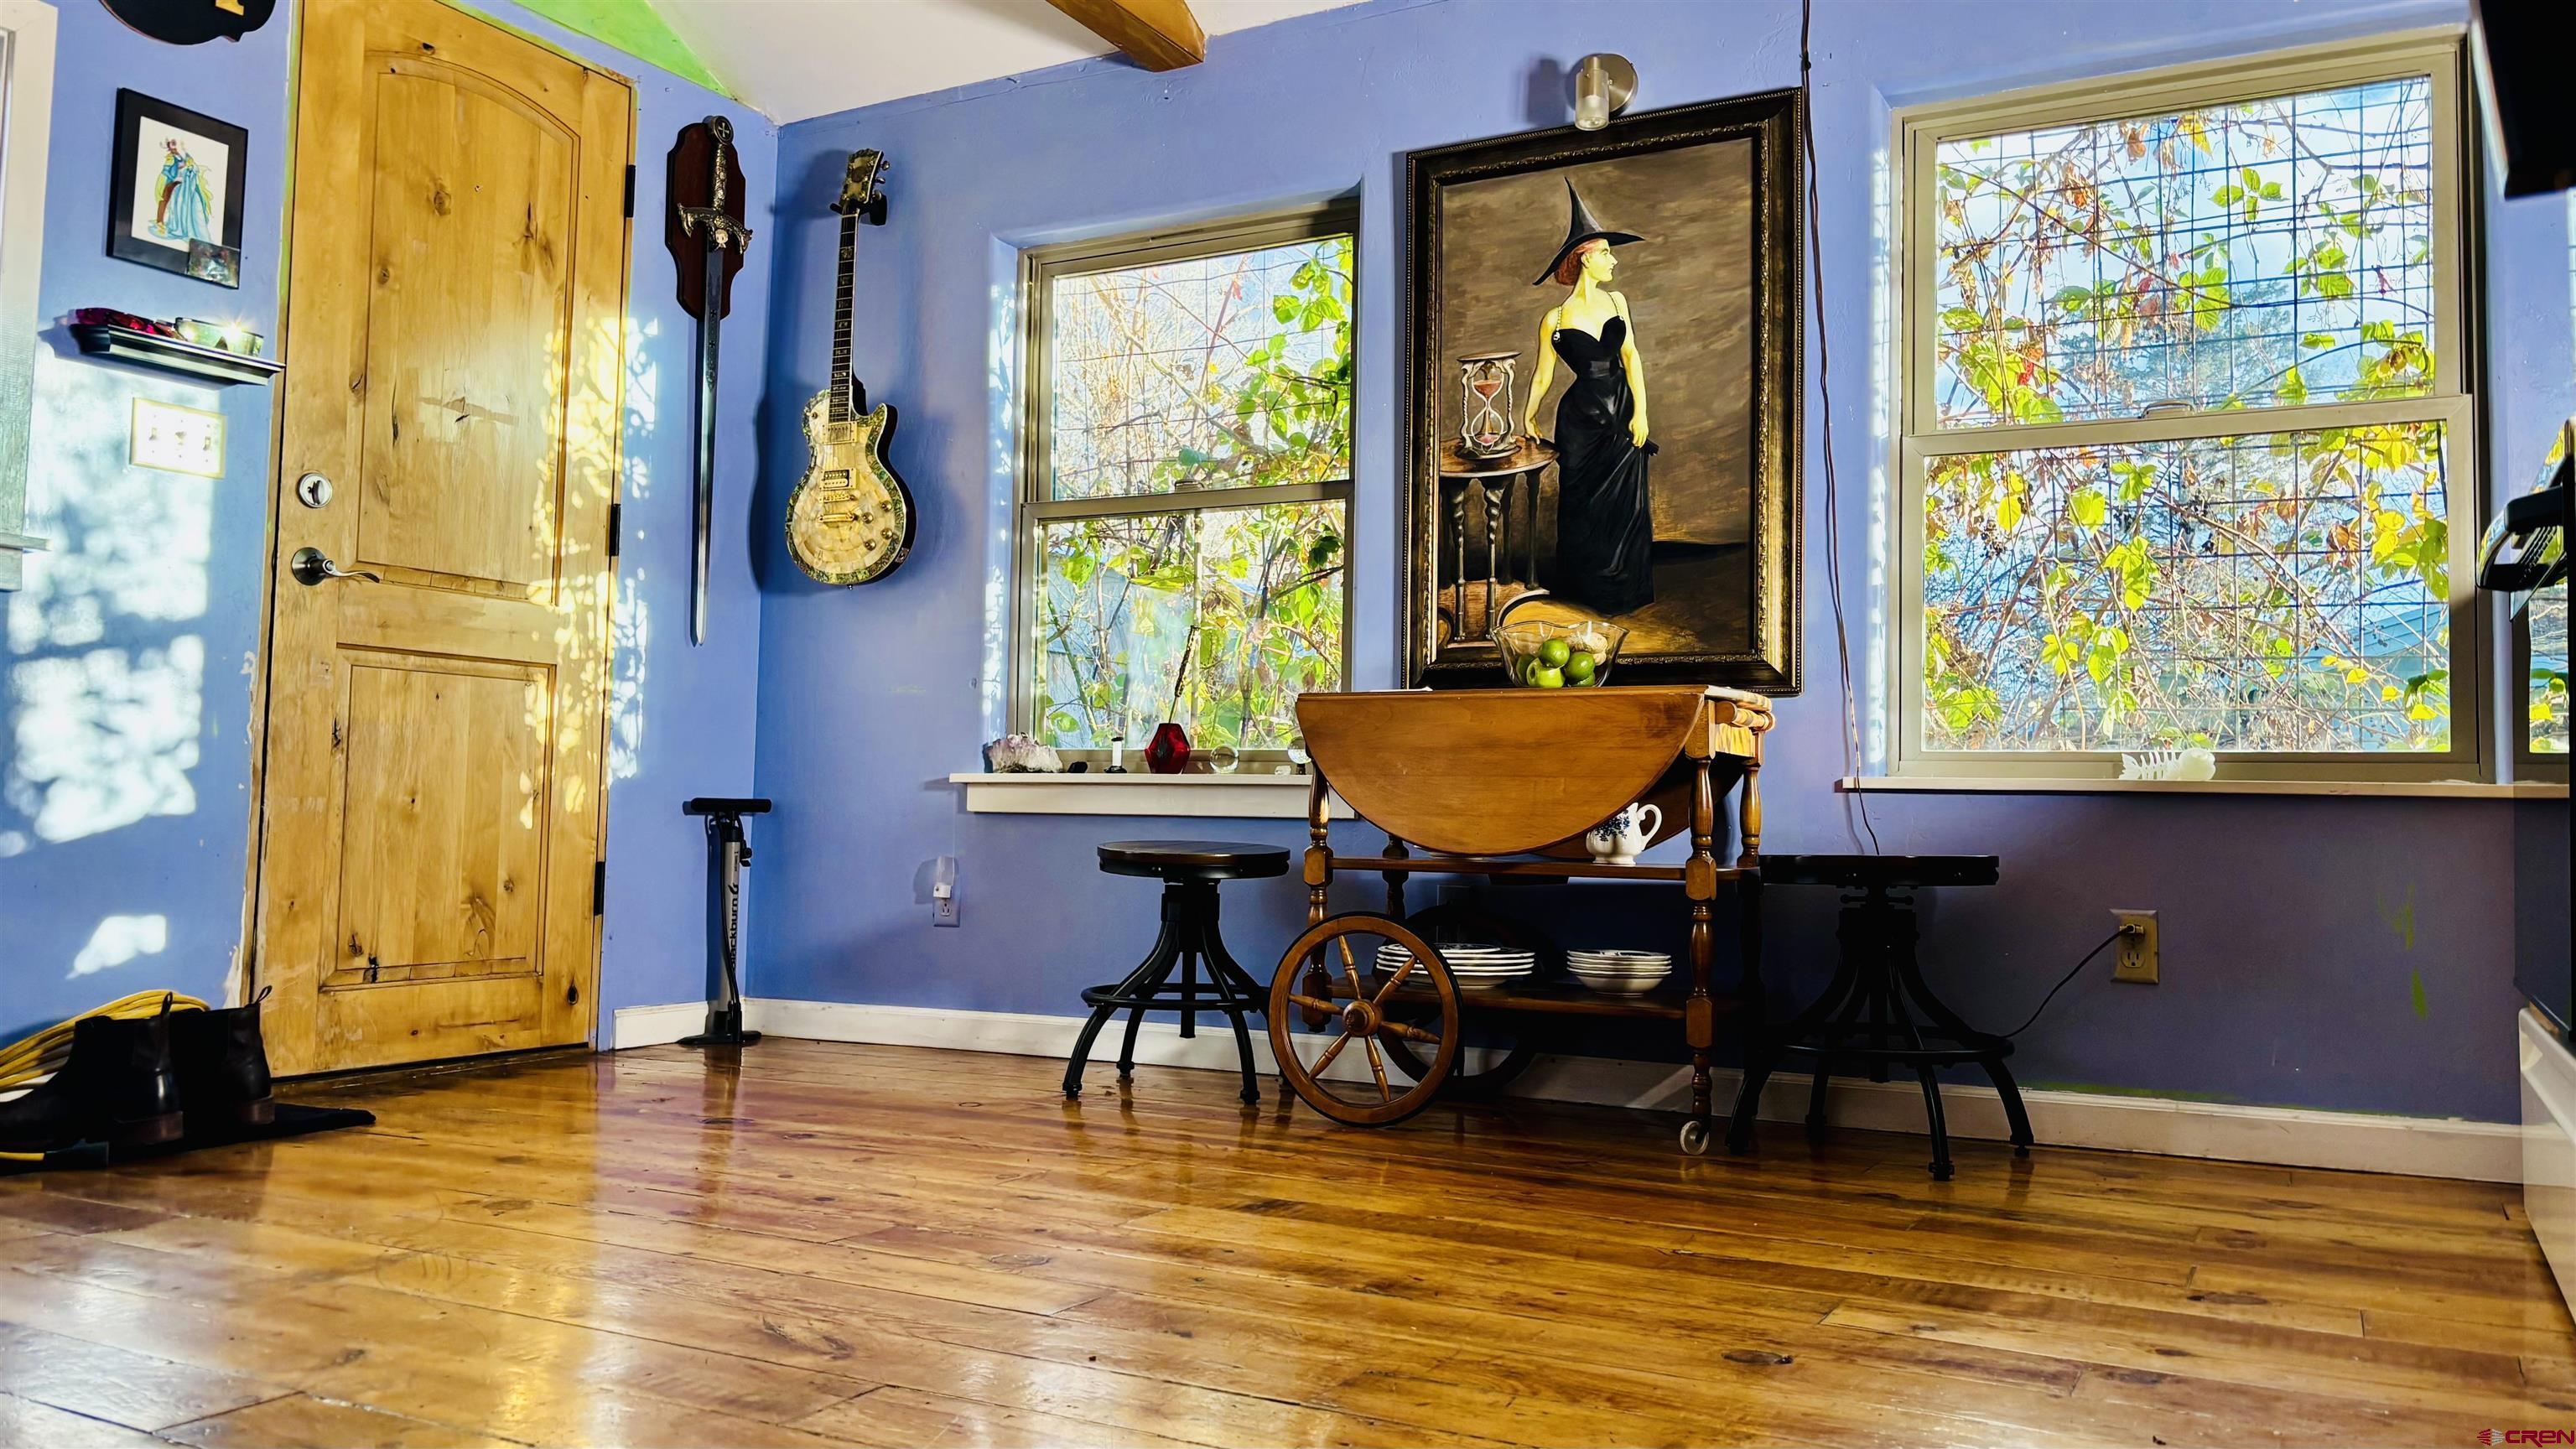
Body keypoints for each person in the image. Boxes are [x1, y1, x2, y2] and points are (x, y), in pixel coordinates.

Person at [1522, 180, 1654, 616]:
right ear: (1585, 260)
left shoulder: (1617, 301)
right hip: (1580, 423)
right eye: (1606, 253)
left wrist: (1643, 415)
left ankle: (1623, 589)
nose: (1613, 260)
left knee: (1626, 503)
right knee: (1583, 505)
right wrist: (1529, 415)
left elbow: (1632, 357)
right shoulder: (1554, 318)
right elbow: (1544, 374)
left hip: (1621, 414)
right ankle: (1587, 590)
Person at [153, 138, 216, 246]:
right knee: (165, 200)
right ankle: (160, 221)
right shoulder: (171, 158)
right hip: (172, 182)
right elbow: (166, 170)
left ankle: (179, 222)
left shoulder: (181, 156)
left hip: (181, 182)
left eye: (175, 146)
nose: (175, 148)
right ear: (170, 148)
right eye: (172, 146)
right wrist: (173, 178)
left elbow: (188, 162)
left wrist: (186, 153)